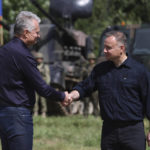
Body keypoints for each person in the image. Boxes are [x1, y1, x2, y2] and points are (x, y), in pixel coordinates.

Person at [68, 31, 150, 150]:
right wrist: (71, 95)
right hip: (109, 131)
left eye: (108, 48)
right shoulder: (100, 70)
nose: (104, 51)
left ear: (121, 48)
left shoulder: (139, 71)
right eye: (104, 47)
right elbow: (84, 87)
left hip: (133, 131)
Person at [0, 11, 69, 150]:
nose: (39, 35)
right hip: (19, 116)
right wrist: (62, 96)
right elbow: (42, 88)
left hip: (3, 114)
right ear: (25, 33)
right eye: (36, 32)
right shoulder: (24, 55)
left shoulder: (3, 51)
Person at [33, 52, 50, 118]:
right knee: (35, 100)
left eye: (40, 58)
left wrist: (47, 85)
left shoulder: (45, 67)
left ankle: (44, 112)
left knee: (43, 100)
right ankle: (35, 112)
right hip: (36, 85)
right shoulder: (34, 66)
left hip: (42, 85)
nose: (39, 60)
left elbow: (48, 77)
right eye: (38, 58)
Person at [82, 52, 99, 117]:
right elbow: (82, 79)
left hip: (94, 89)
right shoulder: (85, 68)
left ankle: (96, 116)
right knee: (86, 103)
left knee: (95, 103)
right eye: (90, 59)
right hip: (87, 89)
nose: (91, 61)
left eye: (92, 59)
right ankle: (85, 116)